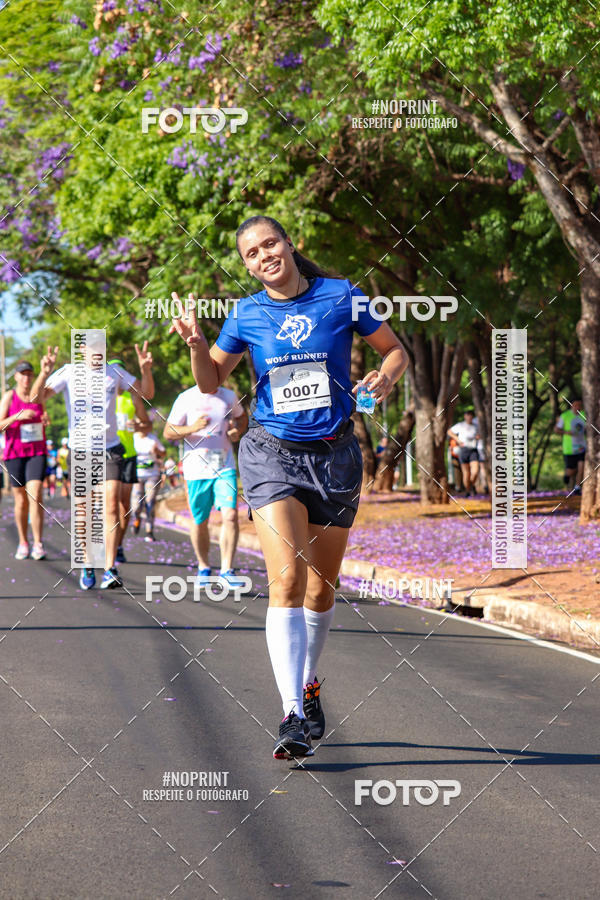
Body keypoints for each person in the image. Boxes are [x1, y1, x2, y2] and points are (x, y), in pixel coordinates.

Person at [170, 214, 407, 760]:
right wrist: (198, 344)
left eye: (269, 243)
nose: (263, 256)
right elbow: (211, 382)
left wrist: (385, 378)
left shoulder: (341, 296)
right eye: (251, 253)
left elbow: (395, 351)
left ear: (290, 243)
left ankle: (310, 684)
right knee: (287, 582)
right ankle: (292, 716)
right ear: (247, 264)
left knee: (322, 590)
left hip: (337, 458)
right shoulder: (246, 313)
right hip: (270, 455)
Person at [34, 342, 154, 589]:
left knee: (111, 506)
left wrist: (146, 370)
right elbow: (36, 398)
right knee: (84, 512)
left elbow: (146, 395)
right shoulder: (68, 372)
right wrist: (44, 372)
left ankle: (109, 567)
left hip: (110, 449)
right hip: (80, 451)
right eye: (91, 347)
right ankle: (88, 562)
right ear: (82, 351)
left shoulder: (115, 373)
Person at [163, 383, 248, 583]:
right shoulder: (186, 397)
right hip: (196, 469)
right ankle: (203, 566)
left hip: (224, 466)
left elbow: (241, 417)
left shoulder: (228, 396)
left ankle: (227, 570)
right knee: (199, 521)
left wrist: (237, 430)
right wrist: (192, 428)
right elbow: (168, 432)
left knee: (230, 515)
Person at [0, 359, 49, 560]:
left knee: (35, 494)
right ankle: (23, 541)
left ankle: (38, 543)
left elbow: (44, 415)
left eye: (30, 374)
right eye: (23, 374)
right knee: (20, 499)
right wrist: (17, 416)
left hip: (37, 451)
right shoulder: (9, 396)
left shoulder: (39, 395)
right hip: (15, 453)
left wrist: (46, 419)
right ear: (16, 376)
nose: (27, 377)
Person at [109, 361, 140, 563]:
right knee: (109, 503)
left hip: (128, 455)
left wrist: (137, 424)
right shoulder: (101, 397)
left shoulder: (132, 397)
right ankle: (108, 543)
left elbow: (146, 424)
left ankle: (118, 544)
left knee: (124, 505)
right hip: (108, 453)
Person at [132, 419, 166, 542]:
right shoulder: (133, 438)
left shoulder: (153, 439)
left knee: (150, 502)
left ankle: (149, 530)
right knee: (136, 505)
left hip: (152, 475)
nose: (146, 427)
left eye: (148, 425)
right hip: (136, 476)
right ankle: (137, 518)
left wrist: (157, 451)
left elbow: (164, 453)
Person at [555, 399, 587, 495]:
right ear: (571, 405)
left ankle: (577, 487)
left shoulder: (584, 415)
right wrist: (566, 432)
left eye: (579, 405)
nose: (578, 407)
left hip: (582, 446)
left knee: (582, 466)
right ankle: (567, 475)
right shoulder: (565, 416)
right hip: (569, 448)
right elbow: (556, 430)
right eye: (575, 405)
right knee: (572, 471)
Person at [447, 410, 480, 497]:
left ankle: (471, 485)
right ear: (465, 416)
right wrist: (457, 439)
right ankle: (468, 490)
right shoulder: (460, 425)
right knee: (466, 473)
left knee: (475, 471)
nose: (469, 417)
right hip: (464, 450)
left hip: (473, 450)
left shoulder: (476, 426)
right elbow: (449, 432)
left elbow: (480, 435)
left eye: (471, 415)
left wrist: (477, 437)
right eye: (467, 415)